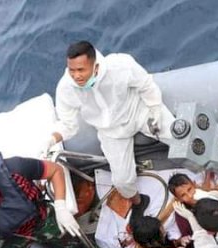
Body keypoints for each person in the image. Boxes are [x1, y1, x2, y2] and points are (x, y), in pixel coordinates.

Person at [49, 40, 175, 224]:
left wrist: (155, 109)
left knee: (179, 137)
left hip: (138, 112)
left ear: (95, 65)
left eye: (81, 70)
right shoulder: (66, 89)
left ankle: (206, 170)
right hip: (111, 132)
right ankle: (139, 203)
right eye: (72, 70)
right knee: (122, 181)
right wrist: (52, 139)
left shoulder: (120, 65)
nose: (76, 76)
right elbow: (68, 124)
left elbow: (146, 84)